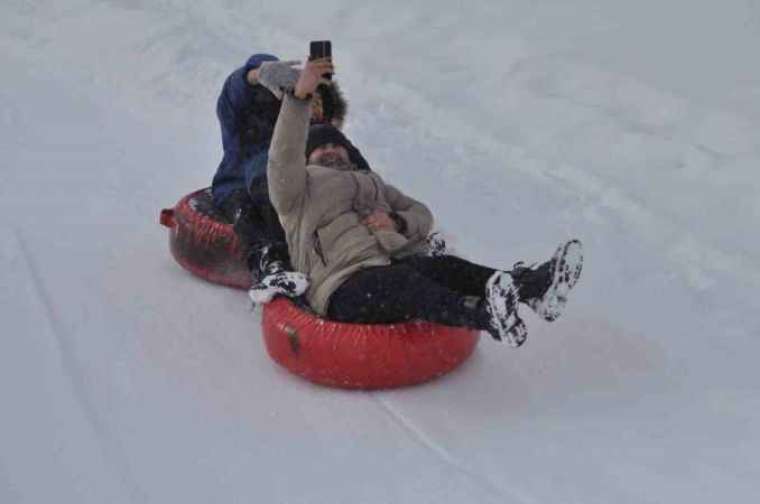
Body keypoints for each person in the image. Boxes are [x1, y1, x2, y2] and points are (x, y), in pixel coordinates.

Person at [264, 58, 584, 346]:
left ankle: (533, 288)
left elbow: (421, 213)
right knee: (403, 281)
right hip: (341, 285)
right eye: (321, 149)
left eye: (337, 147)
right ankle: (484, 315)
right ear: (308, 159)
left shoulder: (372, 182)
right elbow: (282, 157)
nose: (331, 151)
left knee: (444, 268)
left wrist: (398, 222)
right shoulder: (296, 193)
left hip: (390, 265)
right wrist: (299, 98)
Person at [210, 53, 350, 302]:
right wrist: (257, 74)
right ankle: (271, 263)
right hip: (241, 186)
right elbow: (235, 93)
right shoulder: (250, 119)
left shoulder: (314, 134)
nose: (312, 108)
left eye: (317, 104)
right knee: (255, 209)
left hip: (298, 192)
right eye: (309, 99)